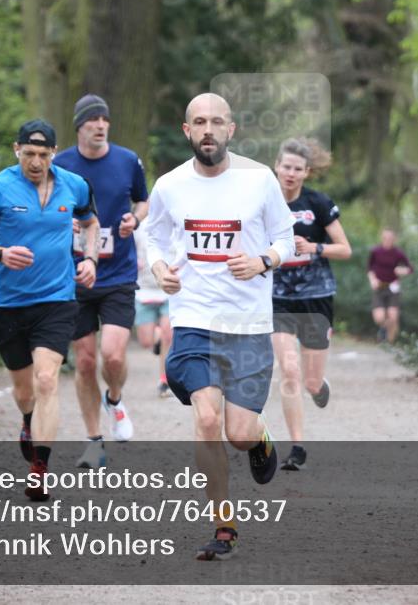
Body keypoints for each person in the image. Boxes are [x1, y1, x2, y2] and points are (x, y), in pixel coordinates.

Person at [144, 93, 295, 560]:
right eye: (199, 122)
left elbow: (285, 238)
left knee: (238, 431)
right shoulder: (169, 186)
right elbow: (153, 234)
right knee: (206, 419)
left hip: (248, 324)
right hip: (193, 321)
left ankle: (260, 437)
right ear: (186, 131)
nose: (208, 130)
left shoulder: (259, 180)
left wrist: (262, 260)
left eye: (216, 122)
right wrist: (158, 267)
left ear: (232, 129)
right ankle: (223, 524)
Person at [0, 119, 99, 501]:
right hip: (9, 306)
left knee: (47, 380)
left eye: (43, 154)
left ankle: (40, 468)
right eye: (29, 153)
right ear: (15, 149)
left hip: (57, 301)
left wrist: (89, 259)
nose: (35, 162)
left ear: (53, 153)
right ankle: (27, 420)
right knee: (25, 393)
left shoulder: (74, 185)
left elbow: (90, 223)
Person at [53, 94, 149, 469]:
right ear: (79, 125)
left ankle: (115, 397)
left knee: (112, 353)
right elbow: (47, 205)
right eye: (92, 119)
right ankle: (94, 441)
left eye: (104, 119)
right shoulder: (60, 164)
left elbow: (143, 200)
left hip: (118, 272)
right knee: (85, 359)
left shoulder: (127, 161)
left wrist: (134, 220)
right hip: (75, 273)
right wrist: (65, 221)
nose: (100, 125)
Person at [270, 138, 352, 470]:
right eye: (286, 167)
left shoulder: (317, 203)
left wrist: (314, 248)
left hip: (316, 296)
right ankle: (297, 447)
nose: (291, 174)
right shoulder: (262, 202)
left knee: (310, 382)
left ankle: (318, 386)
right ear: (277, 166)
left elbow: (345, 249)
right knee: (289, 370)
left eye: (297, 169)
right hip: (277, 298)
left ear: (307, 172)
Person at [132, 220, 173, 397]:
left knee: (168, 333)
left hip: (169, 291)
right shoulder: (140, 226)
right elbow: (129, 251)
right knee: (146, 342)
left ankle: (164, 380)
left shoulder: (176, 221)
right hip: (144, 289)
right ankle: (157, 340)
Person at [367, 228, 413, 343]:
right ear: (382, 238)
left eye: (390, 238)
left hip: (393, 287)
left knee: (393, 317)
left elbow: (410, 268)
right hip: (379, 287)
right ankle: (383, 329)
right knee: (379, 318)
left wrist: (402, 270)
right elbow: (369, 268)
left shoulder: (398, 253)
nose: (388, 240)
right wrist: (372, 280)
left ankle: (390, 344)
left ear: (394, 239)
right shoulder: (376, 251)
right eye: (385, 238)